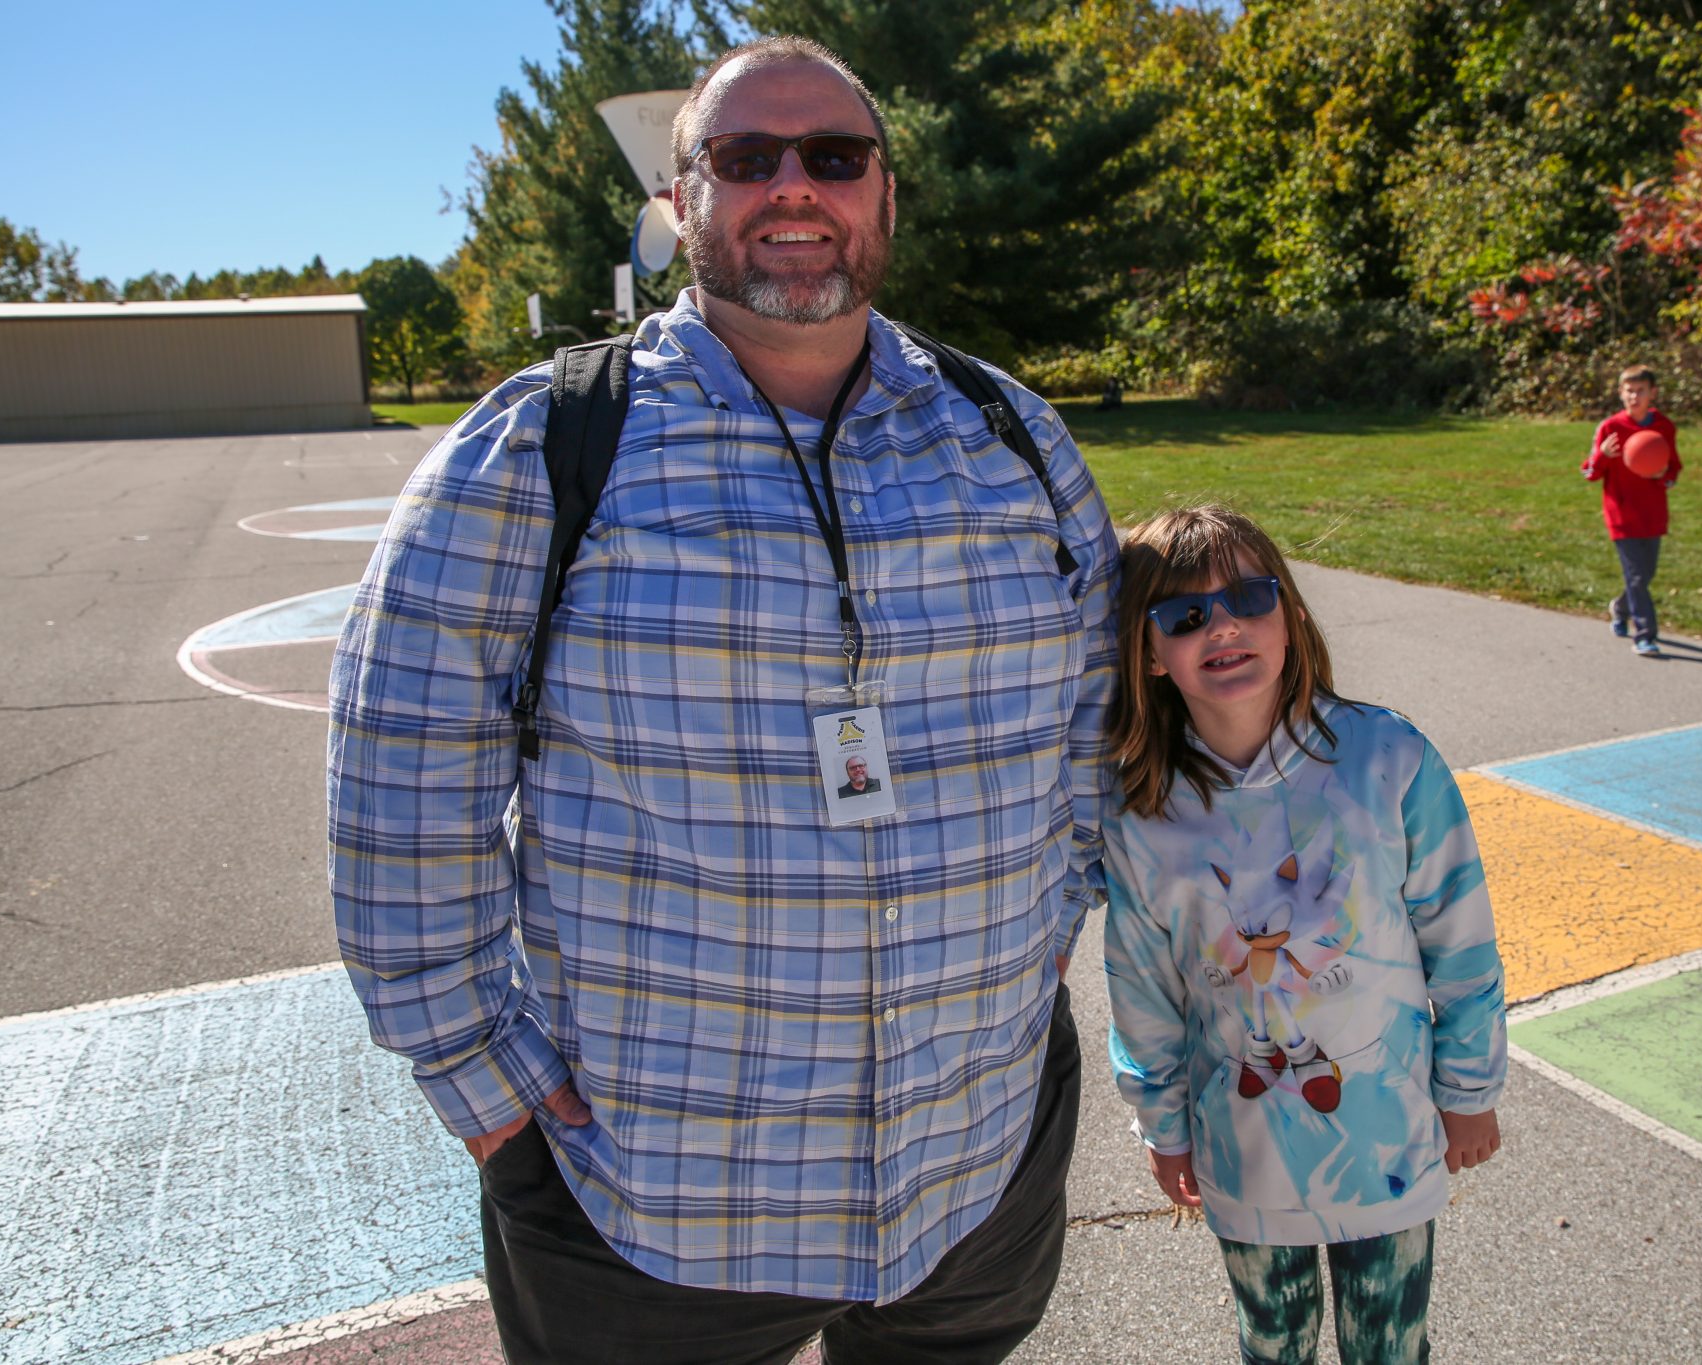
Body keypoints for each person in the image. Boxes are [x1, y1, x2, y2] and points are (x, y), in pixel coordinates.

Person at [327, 35, 1118, 1365]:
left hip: (972, 1159)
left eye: (834, 156)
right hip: (656, 1192)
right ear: (678, 200)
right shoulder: (539, 450)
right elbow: (403, 783)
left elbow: (1098, 723)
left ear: (883, 193)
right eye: (745, 159)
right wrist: (483, 1089)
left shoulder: (1014, 441)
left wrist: (1054, 921)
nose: (794, 187)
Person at [1101, 504, 1505, 1365]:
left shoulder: (1388, 757)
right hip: (1241, 1147)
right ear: (1148, 653)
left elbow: (1459, 934)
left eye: (1251, 597)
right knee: (1272, 1341)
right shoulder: (1143, 810)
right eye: (1185, 615)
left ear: (1290, 616)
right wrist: (1163, 1123)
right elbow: (1141, 989)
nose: (1225, 626)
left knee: (1391, 1343)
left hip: (1388, 1136)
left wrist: (1469, 1086)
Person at [1584, 364, 1682, 657]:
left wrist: (1664, 474)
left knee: (1645, 574)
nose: (1634, 396)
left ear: (1653, 393)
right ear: (1620, 393)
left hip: (1652, 512)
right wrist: (1603, 456)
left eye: (1640, 391)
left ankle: (1620, 607)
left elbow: (1674, 467)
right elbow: (1589, 472)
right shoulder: (1610, 428)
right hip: (1621, 513)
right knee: (1637, 576)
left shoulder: (1663, 427)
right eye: (1629, 391)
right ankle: (1645, 635)